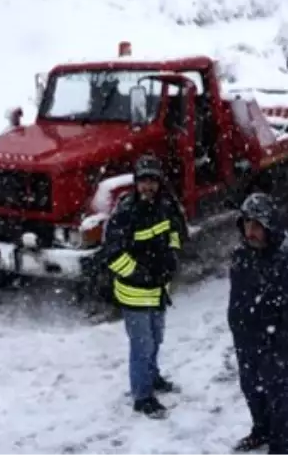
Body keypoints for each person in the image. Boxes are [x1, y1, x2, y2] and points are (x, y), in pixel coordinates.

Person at [102, 155, 189, 418]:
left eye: (152, 181)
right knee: (142, 346)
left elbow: (176, 231)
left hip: (158, 290)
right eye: (143, 181)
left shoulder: (165, 206)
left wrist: (172, 255)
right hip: (135, 293)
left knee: (156, 339)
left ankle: (153, 377)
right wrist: (139, 274)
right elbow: (112, 255)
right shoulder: (126, 213)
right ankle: (142, 396)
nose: (148, 187)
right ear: (136, 184)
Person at [228, 193, 288, 455]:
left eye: (257, 226)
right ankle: (261, 429)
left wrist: (279, 350)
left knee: (276, 390)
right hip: (246, 337)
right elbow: (238, 297)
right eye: (246, 224)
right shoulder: (241, 255)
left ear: (269, 226)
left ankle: (280, 447)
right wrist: (237, 327)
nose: (250, 232)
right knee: (250, 386)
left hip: (278, 341)